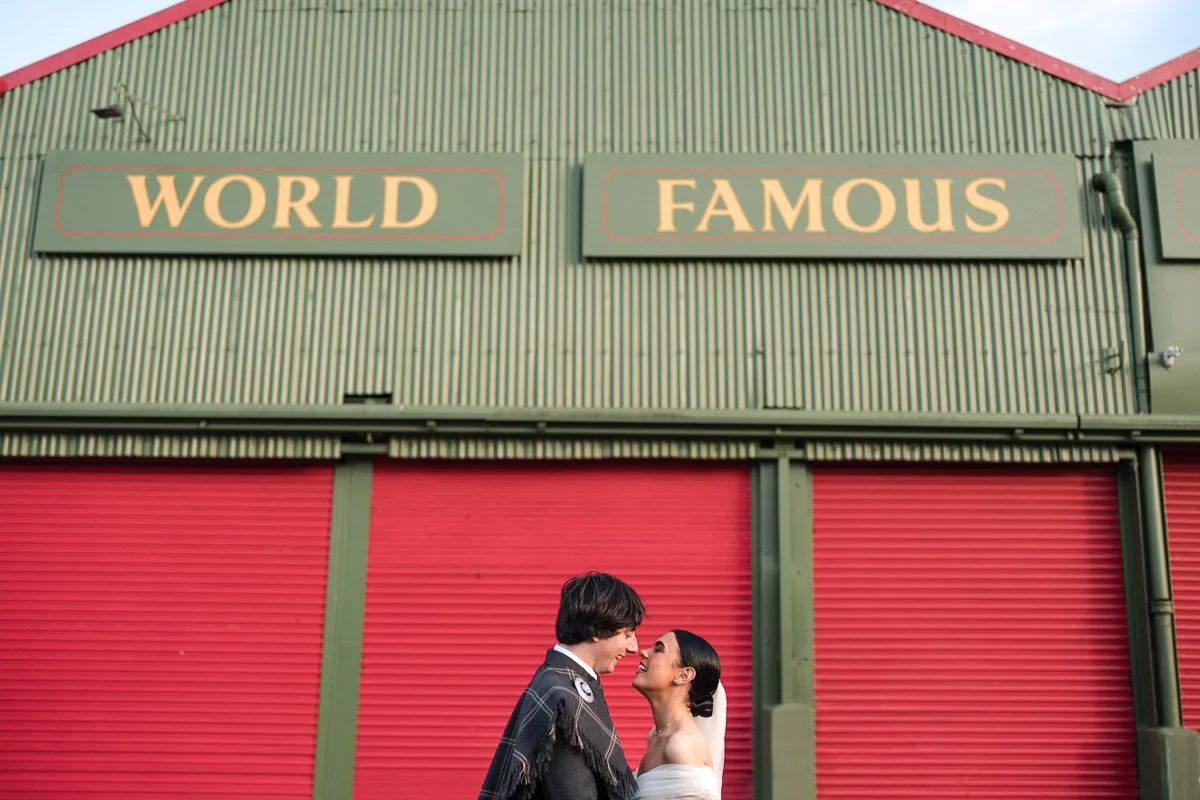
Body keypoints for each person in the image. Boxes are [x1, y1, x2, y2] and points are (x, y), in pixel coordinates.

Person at [478, 571, 644, 800]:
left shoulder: (559, 681)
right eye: (627, 634)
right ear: (597, 630)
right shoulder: (562, 696)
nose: (634, 647)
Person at [631, 630, 726, 800]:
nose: (643, 652)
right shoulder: (655, 736)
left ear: (683, 675)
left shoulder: (681, 745)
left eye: (658, 649)